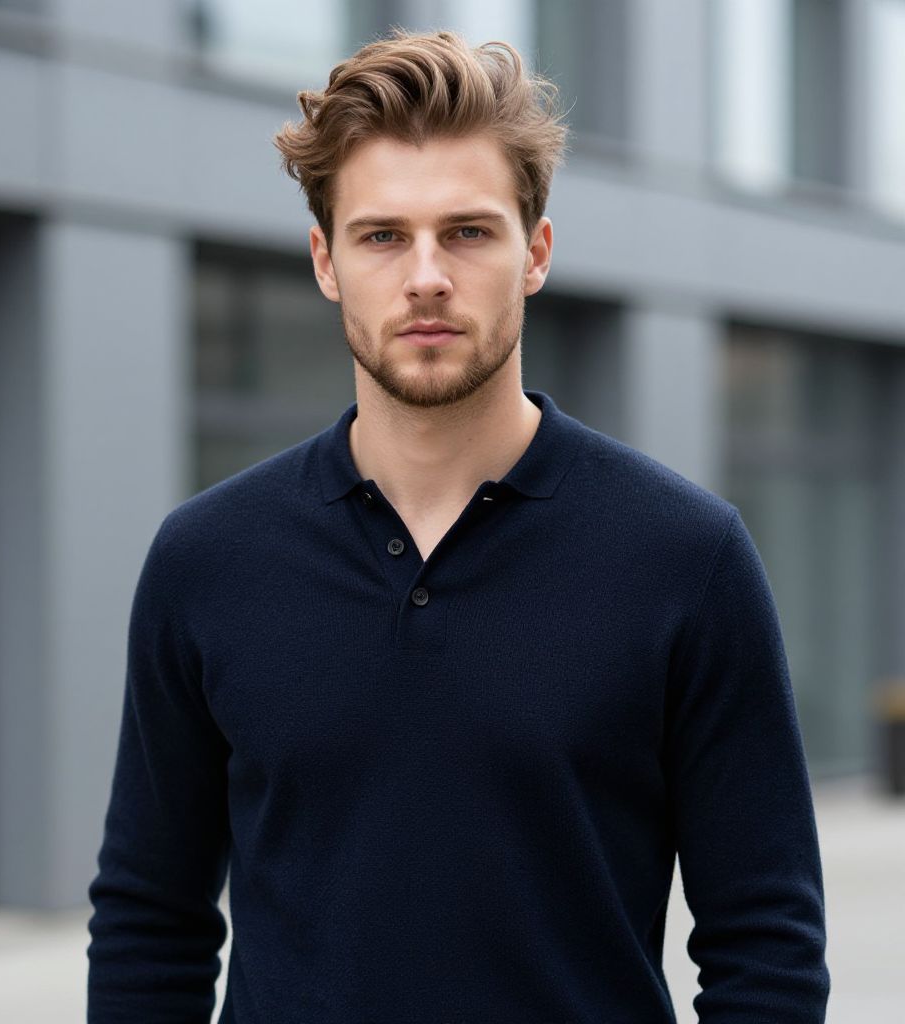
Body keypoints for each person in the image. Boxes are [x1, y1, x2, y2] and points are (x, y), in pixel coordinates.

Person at [86, 29, 830, 1024]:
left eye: (469, 232)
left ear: (536, 254)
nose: (427, 275)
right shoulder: (207, 559)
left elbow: (766, 942)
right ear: (325, 261)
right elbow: (150, 920)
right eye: (382, 236)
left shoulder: (686, 558)